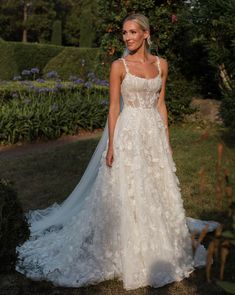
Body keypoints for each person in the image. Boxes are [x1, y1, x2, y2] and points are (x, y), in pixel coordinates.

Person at [16, 13, 218, 291]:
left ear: (146, 34)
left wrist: (166, 140)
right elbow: (113, 108)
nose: (127, 38)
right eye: (124, 33)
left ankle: (159, 241)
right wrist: (112, 145)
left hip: (153, 134)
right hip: (129, 131)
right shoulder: (118, 66)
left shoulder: (162, 64)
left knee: (156, 186)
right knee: (128, 187)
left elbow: (161, 104)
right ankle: (127, 245)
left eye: (133, 32)